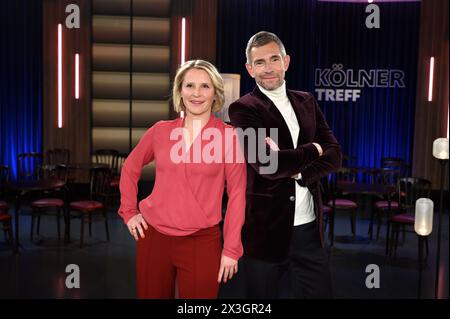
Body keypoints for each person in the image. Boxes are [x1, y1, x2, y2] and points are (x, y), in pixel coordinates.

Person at [118, 59, 246, 299]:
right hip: (154, 237)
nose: (196, 94)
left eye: (205, 86)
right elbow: (130, 167)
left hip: (202, 241)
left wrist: (231, 248)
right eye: (189, 86)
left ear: (216, 93)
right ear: (180, 91)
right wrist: (128, 211)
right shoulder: (160, 131)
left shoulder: (229, 137)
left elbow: (238, 195)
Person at [229, 31, 342, 298]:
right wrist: (313, 149)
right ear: (249, 69)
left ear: (286, 61)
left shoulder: (307, 101)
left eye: (274, 59)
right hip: (265, 234)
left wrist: (298, 171)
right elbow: (268, 165)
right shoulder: (243, 108)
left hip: (309, 231)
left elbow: (335, 155)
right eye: (259, 62)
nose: (268, 68)